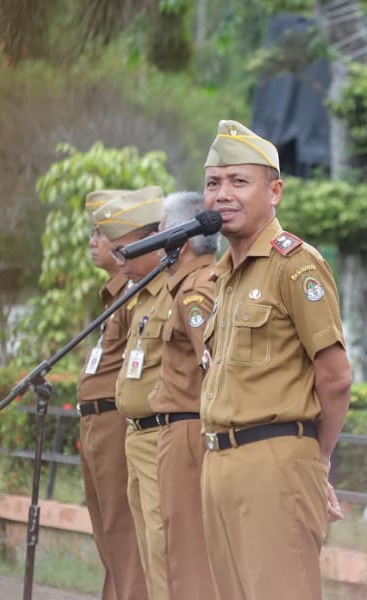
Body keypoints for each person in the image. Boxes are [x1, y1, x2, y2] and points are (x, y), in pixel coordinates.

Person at [199, 120, 352, 600]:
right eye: (213, 183)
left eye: (238, 182)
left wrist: (317, 458)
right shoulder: (223, 275)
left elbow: (336, 378)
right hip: (218, 462)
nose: (223, 194)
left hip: (275, 463)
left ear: (275, 190)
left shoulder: (296, 264)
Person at [96, 186, 171, 600]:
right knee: (141, 547)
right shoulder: (138, 295)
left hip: (163, 436)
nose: (117, 260)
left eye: (124, 250)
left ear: (154, 241)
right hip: (134, 434)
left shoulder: (177, 293)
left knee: (163, 554)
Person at [76, 190, 148, 600]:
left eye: (102, 232)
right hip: (97, 424)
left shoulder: (135, 292)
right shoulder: (114, 293)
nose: (93, 241)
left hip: (116, 423)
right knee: (108, 534)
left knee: (122, 534)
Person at [147, 191, 218, 600]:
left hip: (189, 431)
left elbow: (212, 364)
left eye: (160, 230)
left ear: (182, 241)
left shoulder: (197, 291)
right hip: (183, 429)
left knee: (187, 549)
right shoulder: (189, 285)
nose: (155, 238)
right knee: (178, 544)